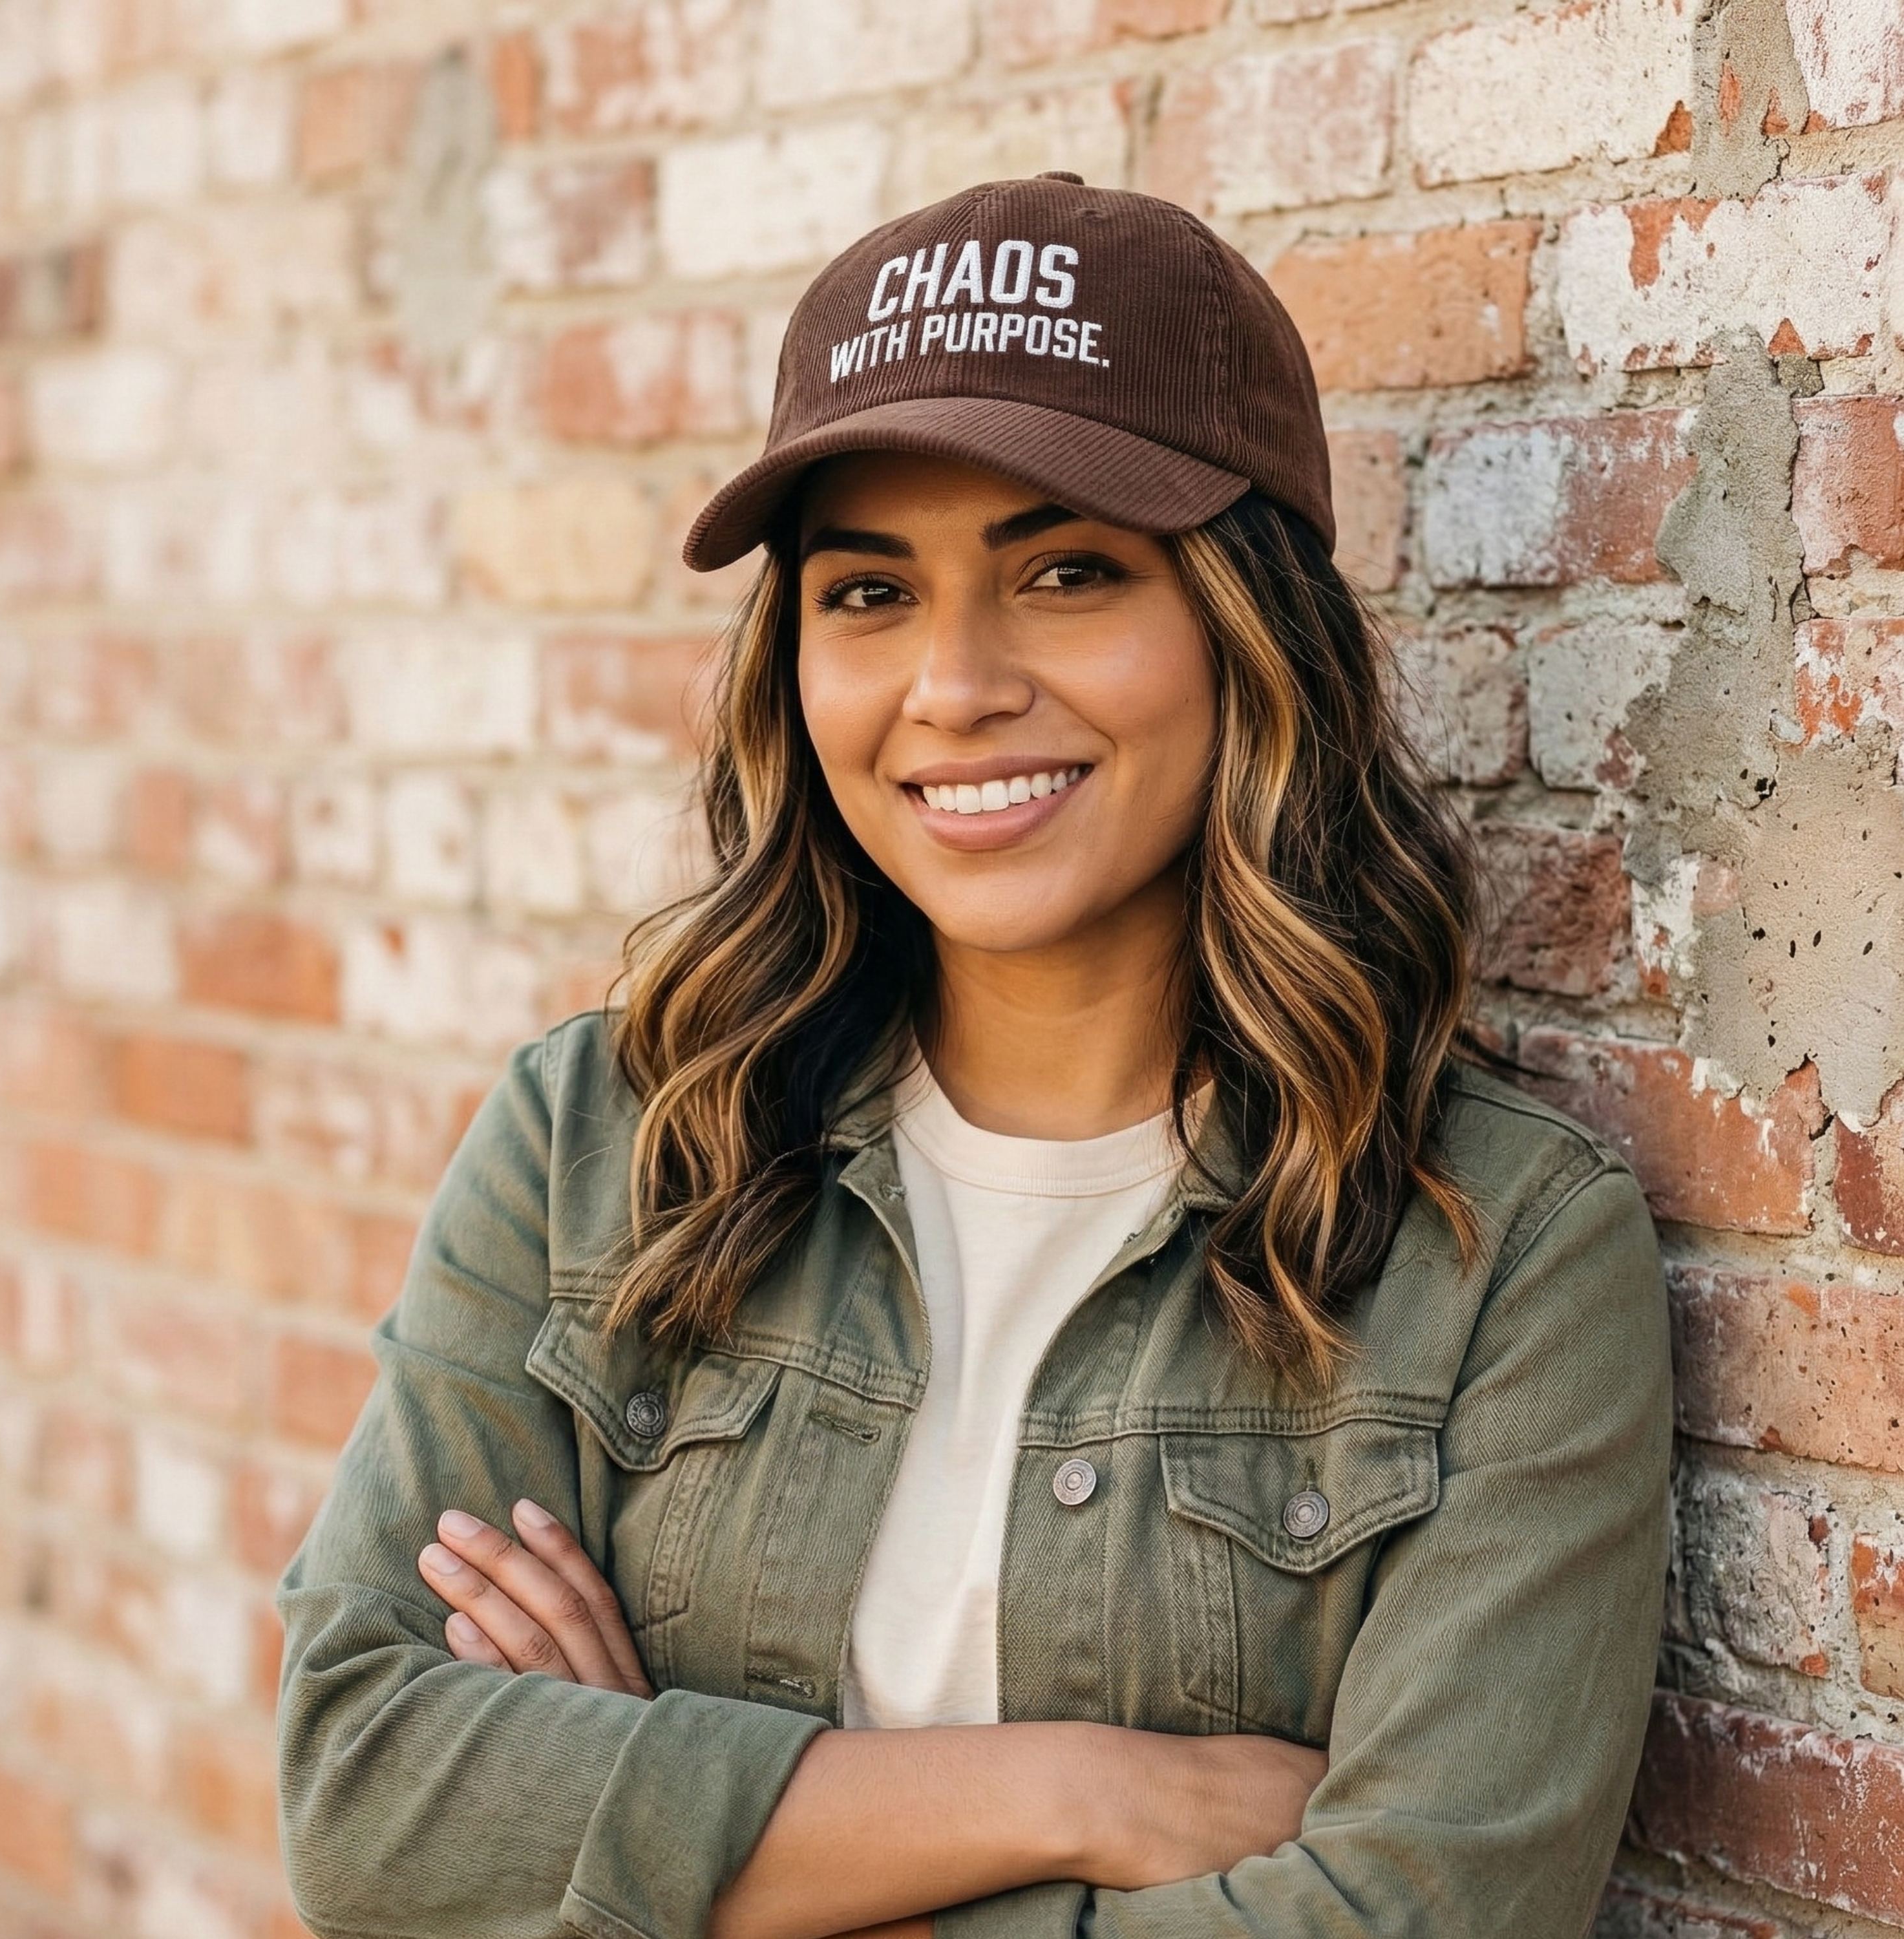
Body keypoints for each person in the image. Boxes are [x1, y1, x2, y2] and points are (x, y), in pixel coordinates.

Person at [275, 174, 1671, 1939]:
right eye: (868, 593)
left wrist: (663, 1842)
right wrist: (1084, 1792)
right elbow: (365, 1805)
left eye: (1067, 571)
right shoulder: (605, 1148)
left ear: (1252, 636)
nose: (951, 684)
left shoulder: (1497, 1256)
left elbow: (1417, 1918)